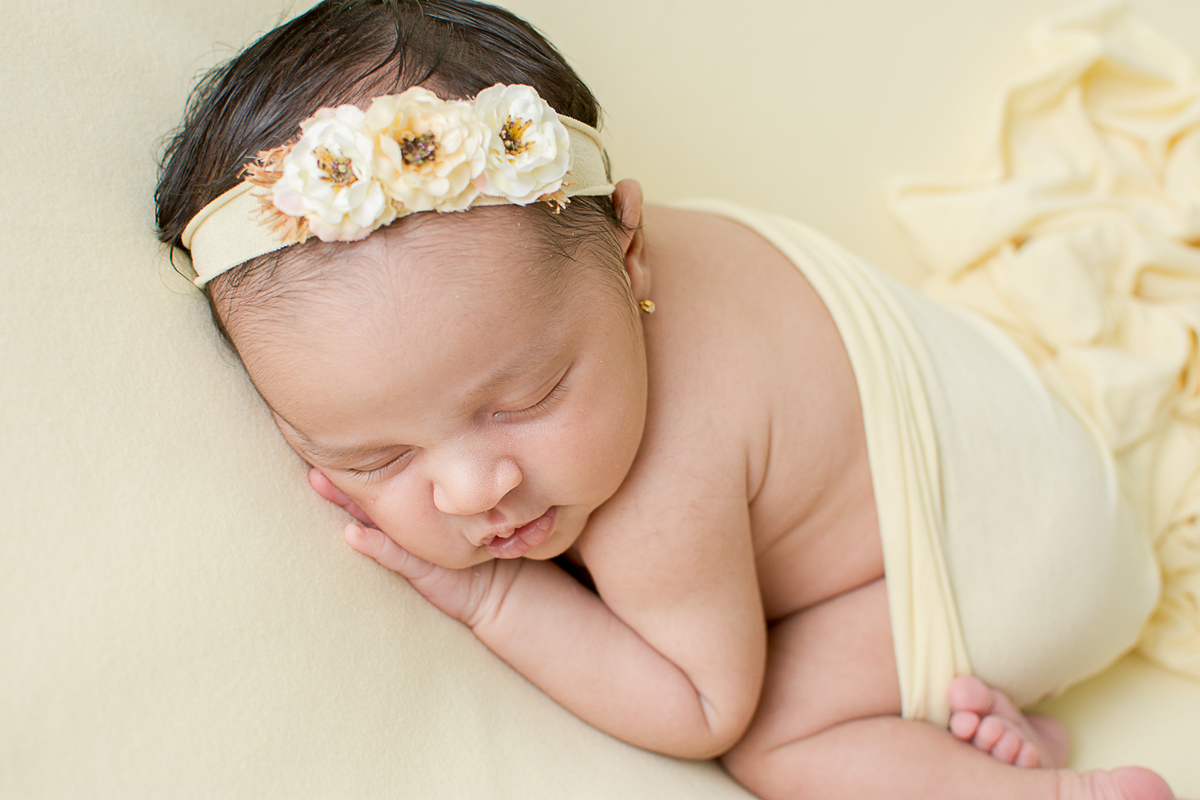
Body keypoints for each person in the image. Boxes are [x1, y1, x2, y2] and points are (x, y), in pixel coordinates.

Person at [155, 1, 1180, 797]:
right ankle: (983, 724)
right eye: (374, 458)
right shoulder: (568, 270)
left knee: (779, 744)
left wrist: (493, 596)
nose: (472, 490)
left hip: (1027, 555)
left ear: (629, 247)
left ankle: (1056, 788)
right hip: (1018, 422)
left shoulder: (661, 487)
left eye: (526, 397)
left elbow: (701, 706)